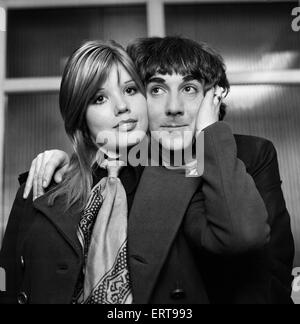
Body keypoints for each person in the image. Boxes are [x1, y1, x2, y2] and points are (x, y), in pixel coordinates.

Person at [1, 37, 280, 304]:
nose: (122, 107)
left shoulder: (182, 176)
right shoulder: (41, 185)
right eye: (99, 98)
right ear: (80, 118)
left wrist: (210, 130)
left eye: (130, 90)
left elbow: (243, 238)